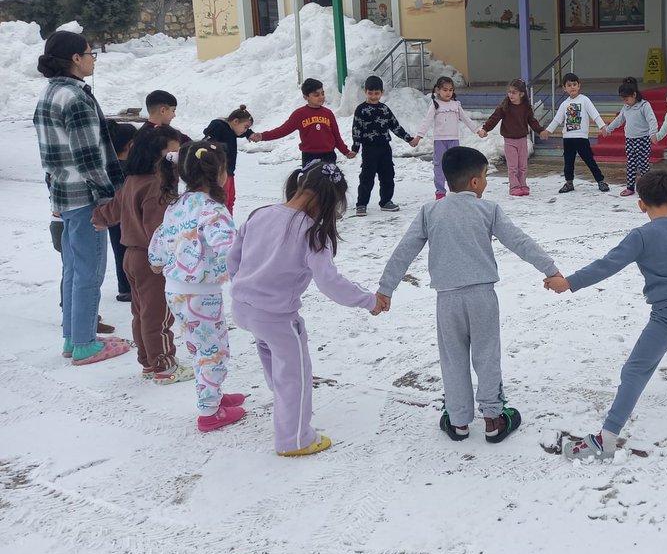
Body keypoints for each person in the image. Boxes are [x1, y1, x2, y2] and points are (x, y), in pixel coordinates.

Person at [377, 147, 560, 443]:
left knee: (453, 359)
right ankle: (493, 418)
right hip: (482, 298)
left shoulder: (430, 211)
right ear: (475, 182)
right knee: (487, 356)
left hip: (447, 300)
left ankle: (458, 420)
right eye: (486, 175)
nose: (486, 182)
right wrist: (550, 269)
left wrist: (386, 289)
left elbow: (404, 251)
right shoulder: (488, 210)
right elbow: (519, 241)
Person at [549, 170, 667, 462]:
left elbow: (606, 265)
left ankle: (606, 440)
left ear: (641, 205)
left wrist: (569, 282)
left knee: (635, 370)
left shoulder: (641, 237)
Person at [230, 161, 385, 456]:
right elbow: (330, 283)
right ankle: (295, 439)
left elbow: (233, 258)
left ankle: (286, 407)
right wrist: (368, 300)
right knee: (295, 375)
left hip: (243, 308)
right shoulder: (312, 232)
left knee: (272, 357)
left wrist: (244, 287)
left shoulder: (260, 214)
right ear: (328, 200)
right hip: (277, 318)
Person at [33, 30, 131, 366]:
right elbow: (89, 158)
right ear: (76, 58)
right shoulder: (76, 98)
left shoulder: (50, 93)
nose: (93, 59)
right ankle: (86, 345)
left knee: (75, 269)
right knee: (89, 272)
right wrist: (107, 199)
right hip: (86, 197)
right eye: (90, 53)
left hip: (64, 194)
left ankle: (73, 337)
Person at [148, 142, 242, 430]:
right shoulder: (213, 210)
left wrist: (157, 260)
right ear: (219, 172)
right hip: (201, 295)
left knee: (200, 346)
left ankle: (212, 394)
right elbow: (230, 250)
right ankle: (209, 411)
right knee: (213, 351)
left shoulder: (176, 206)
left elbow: (160, 240)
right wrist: (248, 271)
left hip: (175, 291)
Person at [93, 124, 189, 382]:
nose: (177, 159)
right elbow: (159, 232)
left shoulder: (133, 181)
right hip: (152, 261)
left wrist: (98, 217)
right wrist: (171, 257)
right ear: (157, 155)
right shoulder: (157, 187)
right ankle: (164, 366)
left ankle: (148, 362)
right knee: (158, 316)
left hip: (131, 257)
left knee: (142, 313)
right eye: (173, 153)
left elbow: (113, 209)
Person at [252, 78, 355, 167]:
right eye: (316, 95)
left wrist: (346, 152)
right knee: (310, 183)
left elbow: (336, 136)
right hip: (309, 156)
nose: (321, 97)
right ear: (306, 97)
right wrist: (262, 136)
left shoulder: (328, 113)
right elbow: (282, 130)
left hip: (329, 155)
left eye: (322, 93)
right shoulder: (299, 114)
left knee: (330, 183)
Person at [351, 76, 413, 216]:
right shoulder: (361, 109)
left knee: (388, 175)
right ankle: (361, 204)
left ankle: (386, 201)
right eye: (370, 93)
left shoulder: (384, 109)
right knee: (367, 177)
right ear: (365, 92)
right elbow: (356, 130)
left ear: (382, 92)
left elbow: (395, 126)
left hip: (385, 148)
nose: (374, 96)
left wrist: (408, 139)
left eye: (377, 93)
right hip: (369, 149)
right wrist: (355, 148)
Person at [411, 76, 479, 200]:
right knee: (439, 165)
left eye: (451, 90)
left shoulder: (456, 104)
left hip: (454, 140)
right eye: (445, 90)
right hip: (440, 141)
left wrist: (477, 130)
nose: (448, 93)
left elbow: (466, 118)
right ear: (438, 90)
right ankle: (440, 191)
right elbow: (427, 121)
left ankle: (456, 189)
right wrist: (419, 137)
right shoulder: (435, 104)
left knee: (455, 165)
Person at [540, 73, 610, 194]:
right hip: (568, 138)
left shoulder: (584, 100)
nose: (572, 87)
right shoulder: (564, 104)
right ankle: (569, 182)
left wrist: (603, 126)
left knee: (589, 160)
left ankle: (600, 181)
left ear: (579, 86)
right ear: (564, 88)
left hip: (581, 138)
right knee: (568, 162)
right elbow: (557, 119)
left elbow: (594, 114)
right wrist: (548, 130)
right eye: (569, 85)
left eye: (574, 84)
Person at [480, 78, 544, 197]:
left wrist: (540, 131)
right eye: (509, 92)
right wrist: (485, 129)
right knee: (513, 166)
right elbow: (494, 118)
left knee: (523, 166)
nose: (511, 95)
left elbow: (532, 121)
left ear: (521, 94)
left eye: (514, 92)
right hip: (509, 141)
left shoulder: (526, 108)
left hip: (522, 140)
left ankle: (523, 185)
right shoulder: (504, 107)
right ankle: (514, 187)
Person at [604, 76, 658, 197]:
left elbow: (652, 120)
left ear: (634, 95)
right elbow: (619, 120)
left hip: (643, 139)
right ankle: (630, 187)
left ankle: (648, 187)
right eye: (623, 99)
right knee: (631, 163)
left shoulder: (644, 105)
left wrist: (653, 133)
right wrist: (608, 129)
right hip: (629, 139)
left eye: (627, 99)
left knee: (643, 164)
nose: (625, 102)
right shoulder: (626, 107)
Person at [105, 120, 138, 303]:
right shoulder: (129, 169)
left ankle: (124, 287)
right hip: (128, 216)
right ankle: (130, 286)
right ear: (131, 145)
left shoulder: (109, 165)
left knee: (119, 250)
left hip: (114, 217)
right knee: (131, 251)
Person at [202, 105, 254, 213]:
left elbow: (240, 132)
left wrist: (249, 134)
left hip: (229, 172)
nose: (245, 130)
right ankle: (220, 220)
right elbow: (207, 141)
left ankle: (229, 220)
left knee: (230, 200)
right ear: (235, 121)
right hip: (219, 172)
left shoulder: (232, 130)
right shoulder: (218, 126)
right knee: (221, 200)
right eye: (245, 127)